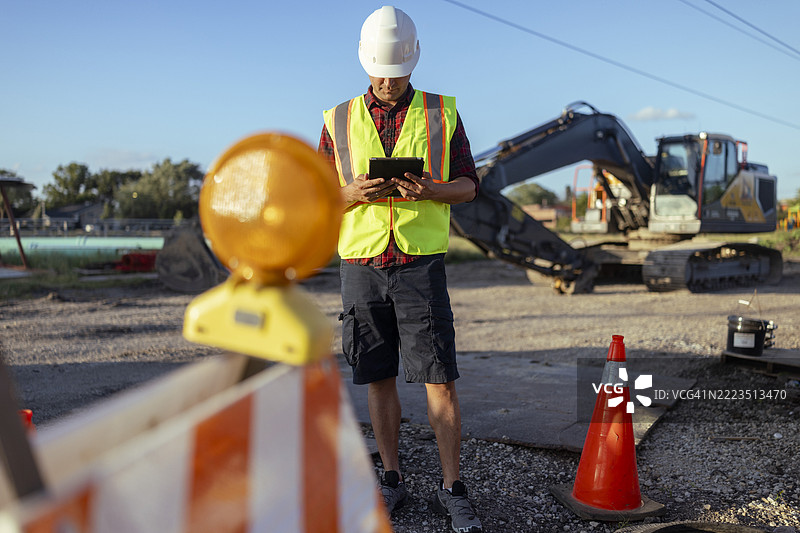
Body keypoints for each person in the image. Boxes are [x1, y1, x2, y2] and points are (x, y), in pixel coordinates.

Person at [318, 6, 482, 533]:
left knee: (440, 379)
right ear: (366, 63)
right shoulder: (336, 120)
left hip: (419, 265)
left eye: (397, 72)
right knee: (377, 375)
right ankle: (391, 480)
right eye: (380, 72)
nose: (388, 82)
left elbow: (470, 185)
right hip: (361, 266)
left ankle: (453, 488)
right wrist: (346, 194)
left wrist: (434, 189)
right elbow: (317, 198)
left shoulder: (442, 113)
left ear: (412, 62)